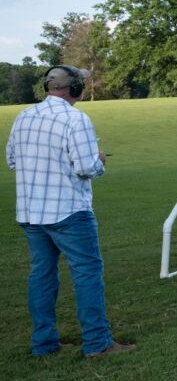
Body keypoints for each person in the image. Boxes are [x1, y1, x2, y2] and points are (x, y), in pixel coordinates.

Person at [5, 65, 135, 357]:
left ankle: (44, 343)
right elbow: (86, 167)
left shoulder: (24, 116)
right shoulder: (76, 119)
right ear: (74, 89)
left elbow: (12, 160)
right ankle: (98, 343)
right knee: (87, 273)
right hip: (69, 212)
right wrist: (101, 159)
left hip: (30, 213)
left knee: (41, 275)